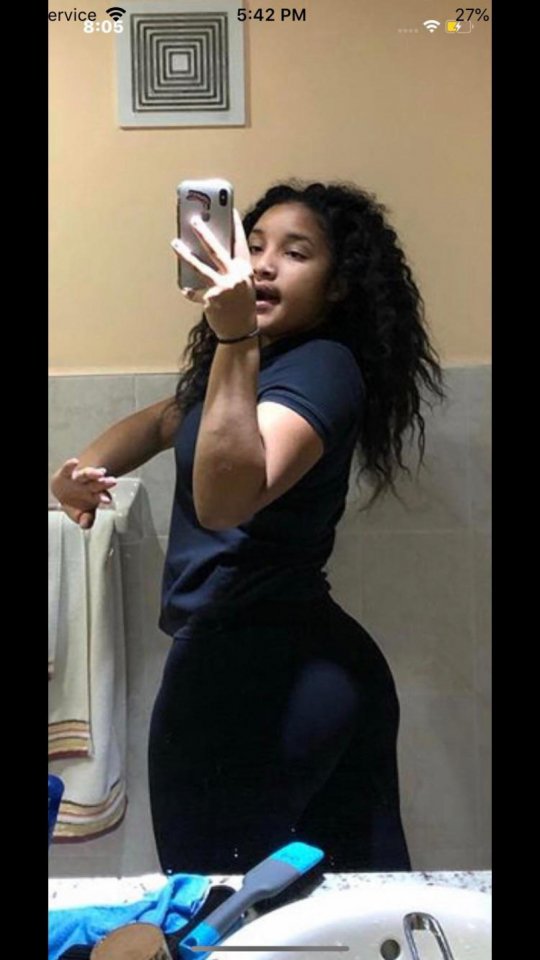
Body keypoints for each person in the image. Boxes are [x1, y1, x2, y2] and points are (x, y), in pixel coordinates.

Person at [51, 180, 445, 875]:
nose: (263, 265)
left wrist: (233, 335)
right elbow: (162, 421)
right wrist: (81, 472)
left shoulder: (321, 366)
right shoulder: (253, 364)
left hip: (262, 673)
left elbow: (227, 499)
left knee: (215, 897)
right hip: (280, 661)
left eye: (295, 253)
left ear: (339, 286)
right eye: (254, 245)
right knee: (349, 904)